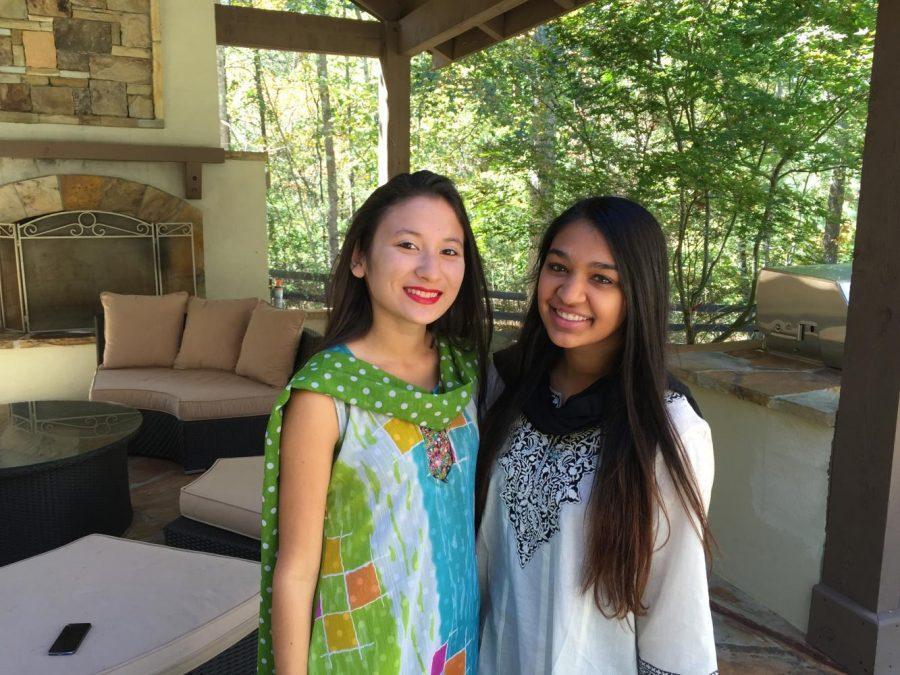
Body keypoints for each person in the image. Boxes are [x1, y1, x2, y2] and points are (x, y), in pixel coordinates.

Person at [257, 171, 492, 674]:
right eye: (408, 245)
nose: (431, 269)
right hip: (362, 652)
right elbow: (296, 569)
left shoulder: (466, 373)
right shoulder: (326, 392)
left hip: (454, 647)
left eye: (450, 251)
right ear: (360, 258)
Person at [476, 196, 717, 674]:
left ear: (639, 296)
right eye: (558, 267)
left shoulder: (668, 430)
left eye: (602, 279)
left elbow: (675, 600)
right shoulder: (504, 386)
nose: (569, 293)